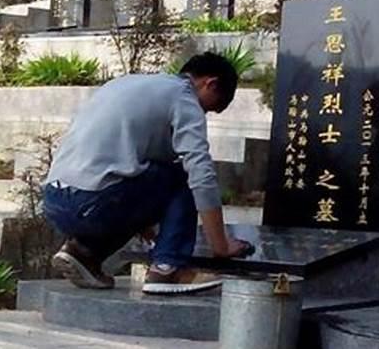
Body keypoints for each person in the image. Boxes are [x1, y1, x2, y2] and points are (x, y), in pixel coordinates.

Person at [44, 52, 253, 293]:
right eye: (210, 107)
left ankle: (83, 252)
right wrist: (221, 245)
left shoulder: (127, 83)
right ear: (210, 83)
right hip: (93, 202)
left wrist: (142, 215)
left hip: (55, 201)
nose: (203, 115)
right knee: (183, 175)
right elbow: (201, 174)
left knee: (143, 179)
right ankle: (169, 269)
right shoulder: (184, 97)